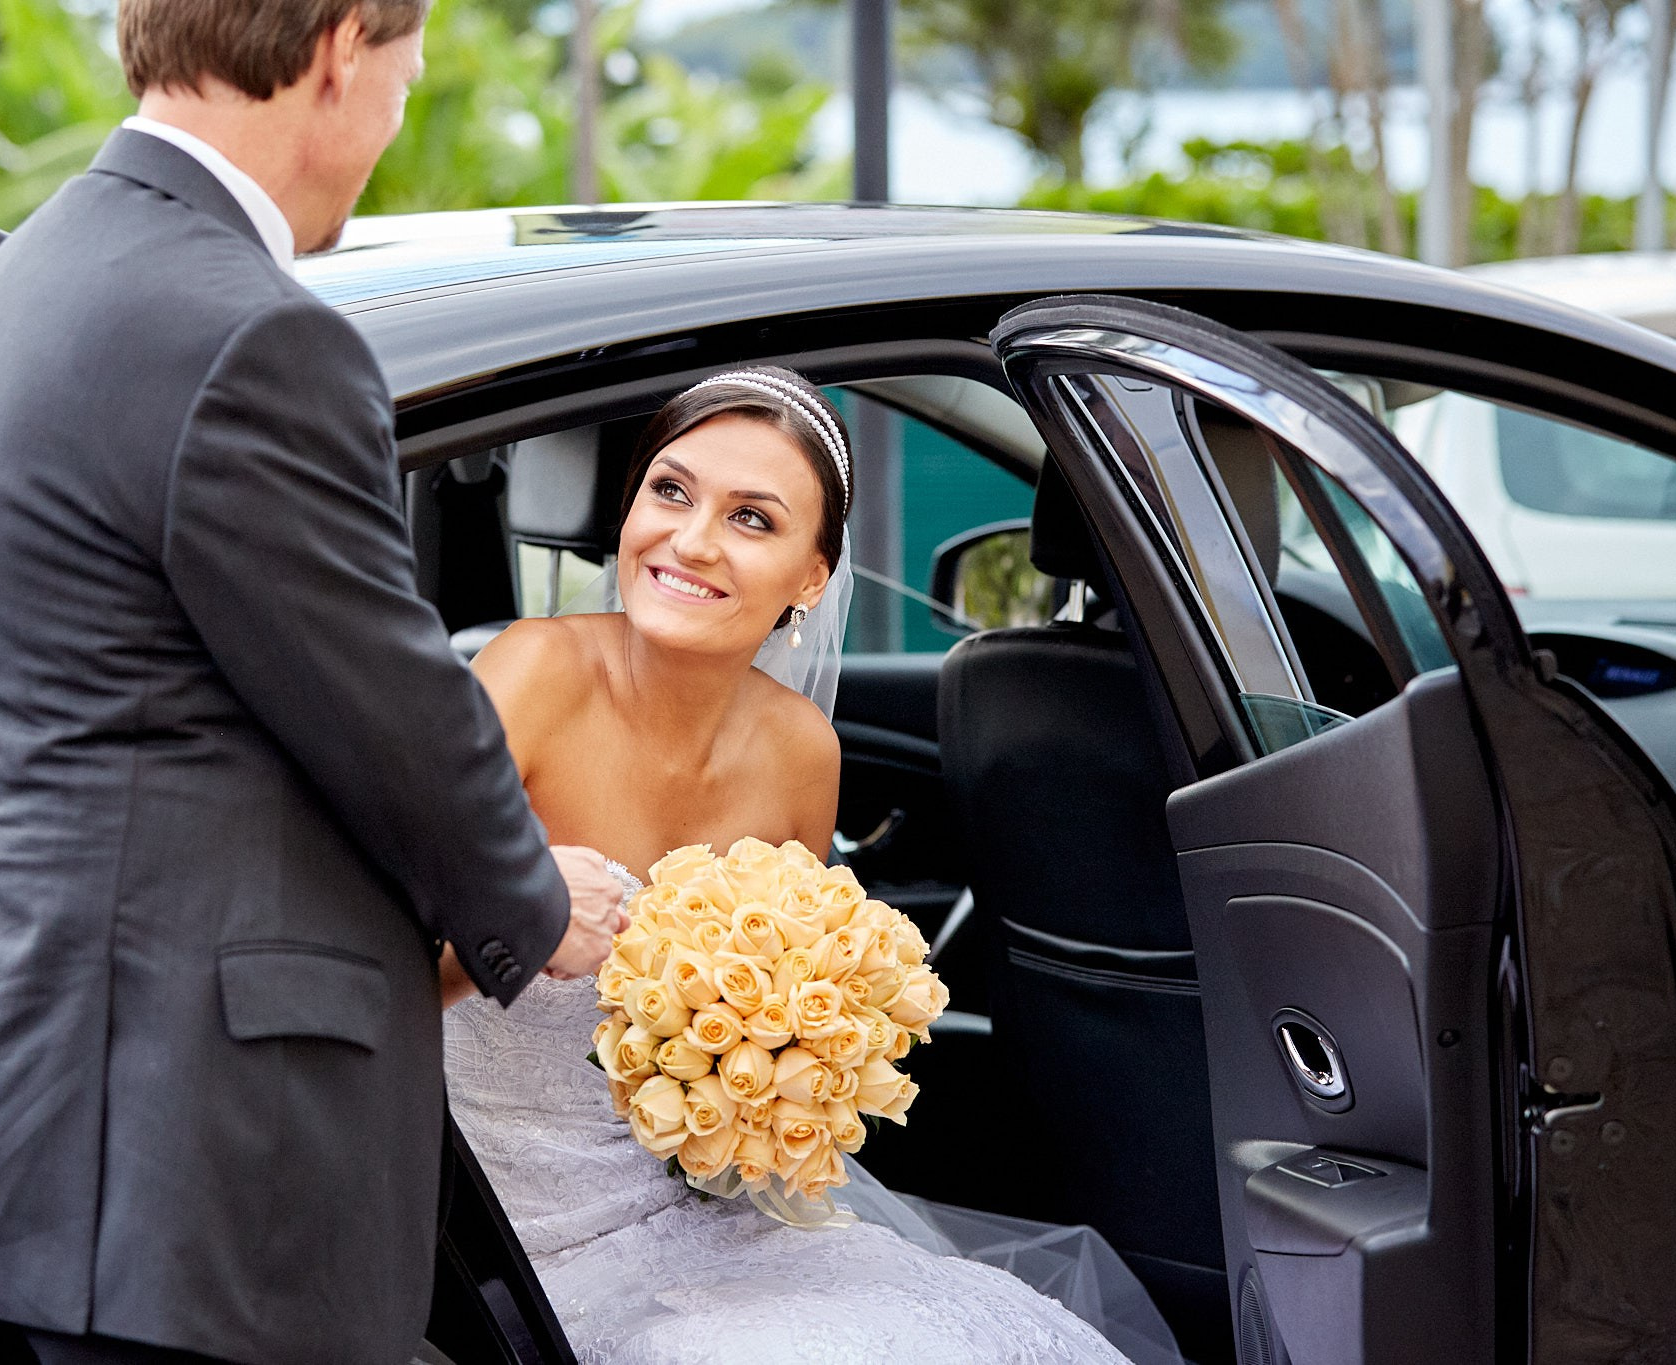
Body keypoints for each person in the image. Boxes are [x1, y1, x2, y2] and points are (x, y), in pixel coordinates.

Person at [0, 0, 624, 1361]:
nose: (401, 115)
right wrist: (533, 896)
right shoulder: (244, 332)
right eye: (412, 68)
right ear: (346, 45)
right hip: (204, 1163)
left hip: (58, 1137)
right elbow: (390, 702)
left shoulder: (25, 282)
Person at [450, 367, 1181, 1364]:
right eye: (670, 491)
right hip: (483, 1224)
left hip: (699, 1219)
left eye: (751, 518)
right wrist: (523, 912)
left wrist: (785, 1081)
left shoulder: (800, 747)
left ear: (810, 576)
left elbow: (786, 1021)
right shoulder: (530, 671)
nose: (691, 539)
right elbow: (369, 968)